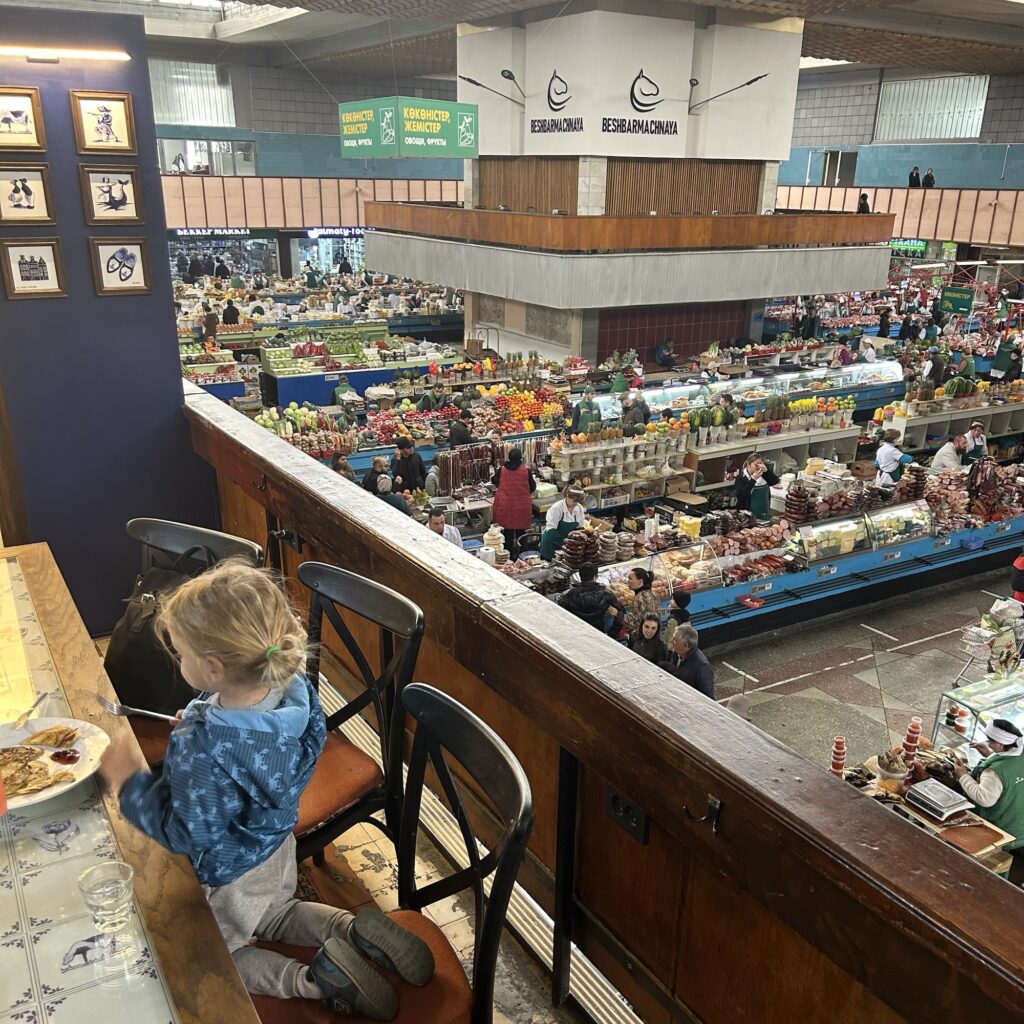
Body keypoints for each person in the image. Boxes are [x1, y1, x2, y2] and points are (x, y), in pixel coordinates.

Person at [105, 561, 434, 1014]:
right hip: (276, 843)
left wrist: (130, 782)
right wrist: (203, 712)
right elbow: (256, 734)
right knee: (277, 912)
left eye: (181, 653)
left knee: (220, 952)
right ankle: (349, 929)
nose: (178, 660)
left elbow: (187, 833)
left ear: (216, 667)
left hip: (230, 872)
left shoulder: (204, 747)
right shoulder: (292, 688)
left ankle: (317, 981)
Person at [953, 719, 1024, 883]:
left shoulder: (995, 772)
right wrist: (988, 753)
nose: (987, 742)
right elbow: (1009, 765)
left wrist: (962, 775)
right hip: (1020, 826)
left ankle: (985, 882)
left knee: (991, 856)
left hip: (1003, 828)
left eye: (990, 741)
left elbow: (984, 798)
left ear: (1001, 744)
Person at [491, 447, 537, 558]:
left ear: (509, 458)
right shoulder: (526, 471)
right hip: (521, 506)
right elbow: (533, 487)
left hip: (506, 506)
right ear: (520, 458)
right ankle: (523, 556)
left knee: (508, 533)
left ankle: (508, 557)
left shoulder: (502, 470)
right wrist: (523, 493)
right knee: (522, 533)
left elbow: (493, 480)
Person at [556, 561, 625, 633]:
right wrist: (612, 633)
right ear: (595, 577)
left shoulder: (569, 594)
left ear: (580, 576)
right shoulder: (606, 593)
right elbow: (620, 615)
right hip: (597, 632)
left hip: (575, 631)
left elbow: (560, 614)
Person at [660, 623, 715, 699]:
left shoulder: (702, 667)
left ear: (685, 645)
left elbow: (709, 699)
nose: (671, 641)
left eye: (675, 640)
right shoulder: (676, 653)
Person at [539, 486, 586, 561]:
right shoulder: (557, 508)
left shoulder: (579, 508)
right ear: (567, 496)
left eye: (578, 501)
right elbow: (551, 529)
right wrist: (567, 542)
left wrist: (581, 538)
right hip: (552, 542)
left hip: (568, 544)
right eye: (574, 501)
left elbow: (579, 528)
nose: (576, 503)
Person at [733, 454, 779, 519]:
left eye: (761, 464)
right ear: (748, 465)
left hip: (764, 512)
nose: (759, 467)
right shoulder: (741, 477)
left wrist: (767, 471)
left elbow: (775, 481)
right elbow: (741, 494)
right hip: (747, 515)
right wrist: (753, 480)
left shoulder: (765, 475)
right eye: (756, 465)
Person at [623, 567, 660, 636]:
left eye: (630, 578)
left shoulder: (639, 598)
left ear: (640, 582)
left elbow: (635, 623)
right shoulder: (655, 594)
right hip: (654, 634)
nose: (628, 581)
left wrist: (619, 615)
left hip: (642, 637)